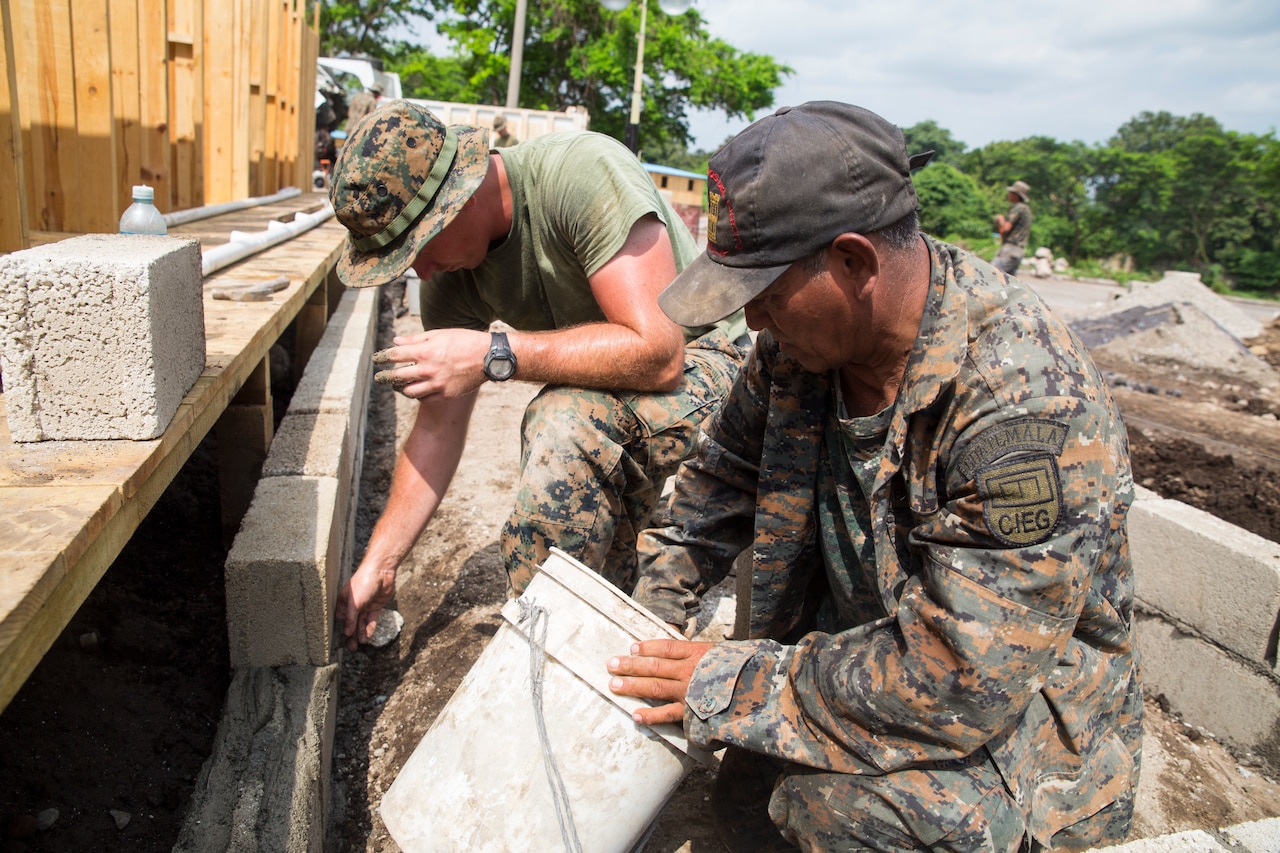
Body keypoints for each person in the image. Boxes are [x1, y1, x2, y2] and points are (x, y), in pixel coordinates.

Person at [607, 102, 1142, 852]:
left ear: (854, 262)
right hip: (864, 661)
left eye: (765, 289)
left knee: (832, 810)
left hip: (1015, 724)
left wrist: (733, 679)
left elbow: (963, 674)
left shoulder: (1027, 404)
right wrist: (641, 627)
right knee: (745, 802)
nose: (754, 321)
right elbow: (718, 485)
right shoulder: (798, 351)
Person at [328, 102, 749, 650]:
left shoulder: (581, 174)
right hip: (621, 395)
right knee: (607, 585)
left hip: (713, 365)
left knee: (564, 418)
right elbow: (437, 429)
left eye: (417, 247)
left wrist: (495, 354)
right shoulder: (451, 278)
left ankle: (543, 652)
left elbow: (661, 353)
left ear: (457, 198)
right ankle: (595, 620)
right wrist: (380, 563)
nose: (420, 271)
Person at [992, 179, 1032, 275]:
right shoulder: (1026, 209)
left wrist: (1000, 219)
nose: (1008, 194)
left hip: (1011, 249)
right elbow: (1003, 232)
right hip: (1018, 251)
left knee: (990, 274)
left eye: (1011, 192)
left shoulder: (1019, 208)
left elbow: (1006, 228)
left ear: (1016, 195)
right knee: (1007, 283)